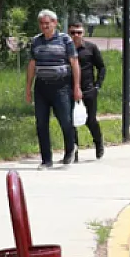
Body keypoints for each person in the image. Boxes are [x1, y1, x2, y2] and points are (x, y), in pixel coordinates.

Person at [24, 9, 82, 168]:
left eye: (47, 24)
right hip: (41, 86)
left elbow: (74, 63)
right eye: (42, 24)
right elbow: (32, 64)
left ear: (55, 23)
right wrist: (28, 88)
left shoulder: (65, 40)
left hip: (61, 86)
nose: (45, 27)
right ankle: (46, 159)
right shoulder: (36, 41)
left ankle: (70, 149)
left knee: (65, 120)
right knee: (41, 123)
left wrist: (77, 86)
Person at [68, 22, 106, 159]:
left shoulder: (91, 48)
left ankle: (99, 142)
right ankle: (74, 151)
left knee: (90, 120)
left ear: (83, 33)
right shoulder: (65, 48)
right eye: (73, 32)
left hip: (88, 89)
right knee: (70, 121)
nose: (76, 35)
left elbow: (101, 67)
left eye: (79, 32)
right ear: (69, 33)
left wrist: (97, 85)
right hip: (69, 90)